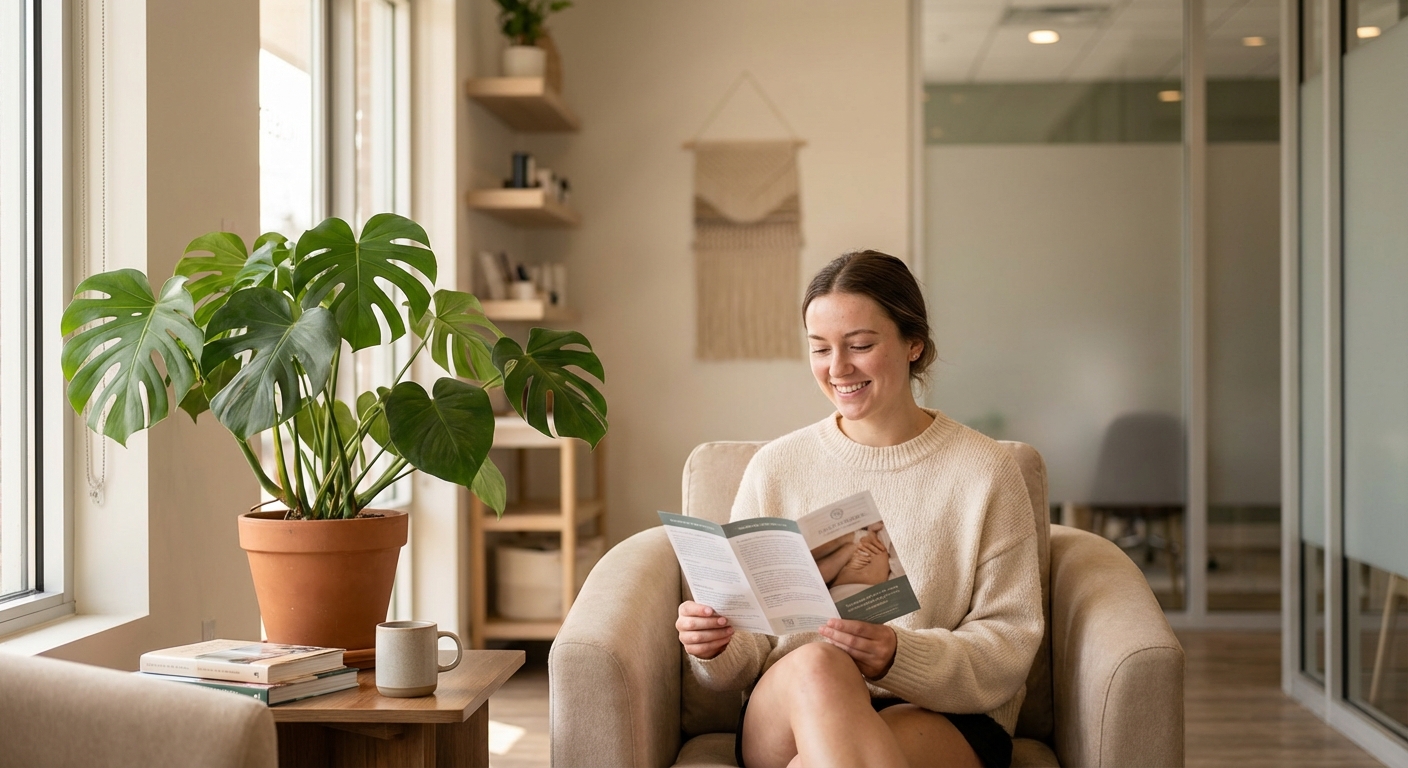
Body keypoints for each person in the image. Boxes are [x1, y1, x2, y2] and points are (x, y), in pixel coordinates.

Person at [675, 250, 1043, 768]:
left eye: (861, 345)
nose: (838, 368)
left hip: (941, 712)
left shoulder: (986, 471)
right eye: (820, 349)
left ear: (914, 344)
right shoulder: (776, 466)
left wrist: (899, 654)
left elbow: (1007, 644)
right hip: (789, 707)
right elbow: (747, 652)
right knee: (820, 664)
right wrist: (712, 645)